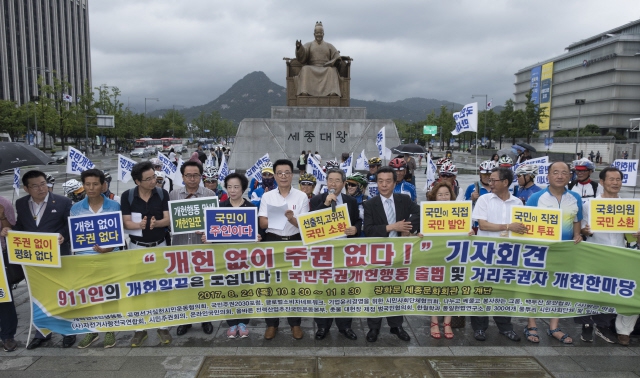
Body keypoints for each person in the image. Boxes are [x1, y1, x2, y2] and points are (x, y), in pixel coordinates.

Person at [0, 170, 74, 349]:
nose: (41, 188)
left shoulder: (63, 201)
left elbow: (70, 225)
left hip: (57, 256)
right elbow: (22, 227)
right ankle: (42, 332)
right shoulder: (22, 203)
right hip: (34, 259)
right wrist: (9, 230)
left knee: (60, 294)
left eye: (43, 184)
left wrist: (63, 236)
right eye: (35, 186)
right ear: (26, 188)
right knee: (39, 296)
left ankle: (67, 331)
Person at [579, 167, 640, 345]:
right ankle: (589, 325)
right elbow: (581, 229)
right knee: (594, 291)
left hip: (622, 253)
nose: (615, 183)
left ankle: (624, 330)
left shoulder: (630, 207)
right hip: (596, 254)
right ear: (603, 182)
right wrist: (586, 230)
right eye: (611, 179)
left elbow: (633, 233)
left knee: (629, 291)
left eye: (618, 179)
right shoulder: (589, 205)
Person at [525, 161, 583, 344]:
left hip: (565, 250)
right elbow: (527, 223)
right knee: (535, 287)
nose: (560, 176)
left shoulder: (575, 197)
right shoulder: (536, 198)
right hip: (540, 250)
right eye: (555, 172)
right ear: (548, 176)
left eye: (564, 173)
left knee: (559, 287)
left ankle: (554, 327)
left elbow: (577, 220)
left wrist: (577, 235)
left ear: (569, 176)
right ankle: (531, 325)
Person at [363, 166, 420, 343]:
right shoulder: (370, 204)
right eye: (380, 181)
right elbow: (369, 230)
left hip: (400, 254)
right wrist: (392, 227)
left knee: (396, 290)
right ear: (376, 183)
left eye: (388, 181)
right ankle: (374, 327)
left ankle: (396, 326)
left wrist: (408, 227)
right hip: (378, 254)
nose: (384, 185)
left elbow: (419, 213)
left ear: (395, 182)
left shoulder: (404, 199)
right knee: (376, 291)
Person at [471, 167, 527, 343]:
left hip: (508, 254)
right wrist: (508, 226)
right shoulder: (484, 199)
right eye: (489, 180)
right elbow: (483, 225)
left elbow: (522, 228)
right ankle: (479, 327)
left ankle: (505, 327)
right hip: (484, 253)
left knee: (504, 292)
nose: (490, 183)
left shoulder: (518, 203)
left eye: (494, 180)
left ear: (505, 183)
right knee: (481, 291)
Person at [200, 172, 258, 338]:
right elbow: (213, 233)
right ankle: (232, 323)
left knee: (244, 290)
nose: (233, 190)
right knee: (228, 291)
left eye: (236, 187)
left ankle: (243, 322)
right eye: (230, 187)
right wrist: (208, 239)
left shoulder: (251, 208)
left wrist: (257, 238)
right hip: (225, 259)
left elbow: (256, 234)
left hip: (245, 259)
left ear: (243, 189)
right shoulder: (219, 207)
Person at [120, 161, 172, 347]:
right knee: (138, 288)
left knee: (162, 285)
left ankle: (163, 326)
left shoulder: (161, 193)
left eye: (154, 177)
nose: (153, 181)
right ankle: (139, 329)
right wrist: (139, 225)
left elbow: (167, 218)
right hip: (137, 246)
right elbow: (125, 222)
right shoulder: (127, 196)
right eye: (148, 179)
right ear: (137, 181)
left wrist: (155, 224)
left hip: (160, 245)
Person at [258, 159, 309, 340]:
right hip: (273, 241)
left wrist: (292, 220)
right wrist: (281, 217)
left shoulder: (301, 196)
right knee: (271, 284)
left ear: (292, 175)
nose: (283, 176)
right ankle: (272, 324)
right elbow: (262, 223)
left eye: (287, 172)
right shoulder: (268, 196)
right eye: (279, 173)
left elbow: (304, 225)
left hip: (295, 241)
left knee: (294, 285)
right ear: (275, 175)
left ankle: (295, 324)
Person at [310, 168, 361, 341]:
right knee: (322, 289)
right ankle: (322, 326)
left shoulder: (350, 201)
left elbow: (358, 221)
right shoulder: (317, 199)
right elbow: (309, 221)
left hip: (344, 253)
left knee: (345, 290)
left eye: (337, 180)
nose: (333, 183)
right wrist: (325, 204)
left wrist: (356, 229)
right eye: (330, 180)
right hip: (322, 253)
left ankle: (344, 326)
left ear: (343, 183)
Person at [72, 169, 121, 349]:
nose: (91, 188)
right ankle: (91, 331)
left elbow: (118, 235)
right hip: (86, 261)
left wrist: (108, 248)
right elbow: (76, 235)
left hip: (109, 259)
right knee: (89, 296)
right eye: (87, 184)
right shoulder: (76, 209)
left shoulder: (114, 206)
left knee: (109, 295)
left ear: (103, 185)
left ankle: (110, 330)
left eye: (95, 184)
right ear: (83, 185)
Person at [171, 161, 216, 337]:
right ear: (182, 177)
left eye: (195, 175)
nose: (192, 179)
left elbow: (215, 222)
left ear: (200, 176)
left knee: (203, 285)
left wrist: (208, 232)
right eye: (188, 175)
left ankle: (206, 319)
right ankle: (186, 320)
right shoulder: (173, 195)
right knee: (184, 286)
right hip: (180, 247)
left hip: (202, 248)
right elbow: (169, 221)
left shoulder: (209, 194)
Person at [425, 182, 457, 339]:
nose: (444, 197)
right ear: (434, 197)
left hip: (453, 257)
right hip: (434, 257)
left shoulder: (459, 212)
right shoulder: (427, 213)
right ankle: (434, 321)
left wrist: (470, 232)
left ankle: (447, 322)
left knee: (450, 290)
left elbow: (465, 230)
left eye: (447, 194)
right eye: (440, 194)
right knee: (434, 290)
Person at [294, 22, 342, 97]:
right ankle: (304, 91)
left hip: (325, 67)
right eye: (317, 33)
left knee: (332, 70)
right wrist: (299, 48)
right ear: (314, 34)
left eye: (321, 33)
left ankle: (332, 92)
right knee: (305, 69)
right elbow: (302, 56)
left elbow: (336, 55)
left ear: (323, 34)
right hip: (312, 67)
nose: (319, 35)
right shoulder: (309, 44)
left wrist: (336, 59)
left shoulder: (329, 45)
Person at [0, 195, 18, 352]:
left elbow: (12, 229)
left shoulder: (4, 203)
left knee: (4, 297)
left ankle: (7, 336)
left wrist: (3, 217)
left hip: (1, 256)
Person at [463, 160, 495, 233]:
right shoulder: (472, 187)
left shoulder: (498, 188)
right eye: (484, 175)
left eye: (489, 174)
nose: (487, 177)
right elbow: (463, 207)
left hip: (493, 224)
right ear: (480, 174)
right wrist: (471, 199)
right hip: (476, 225)